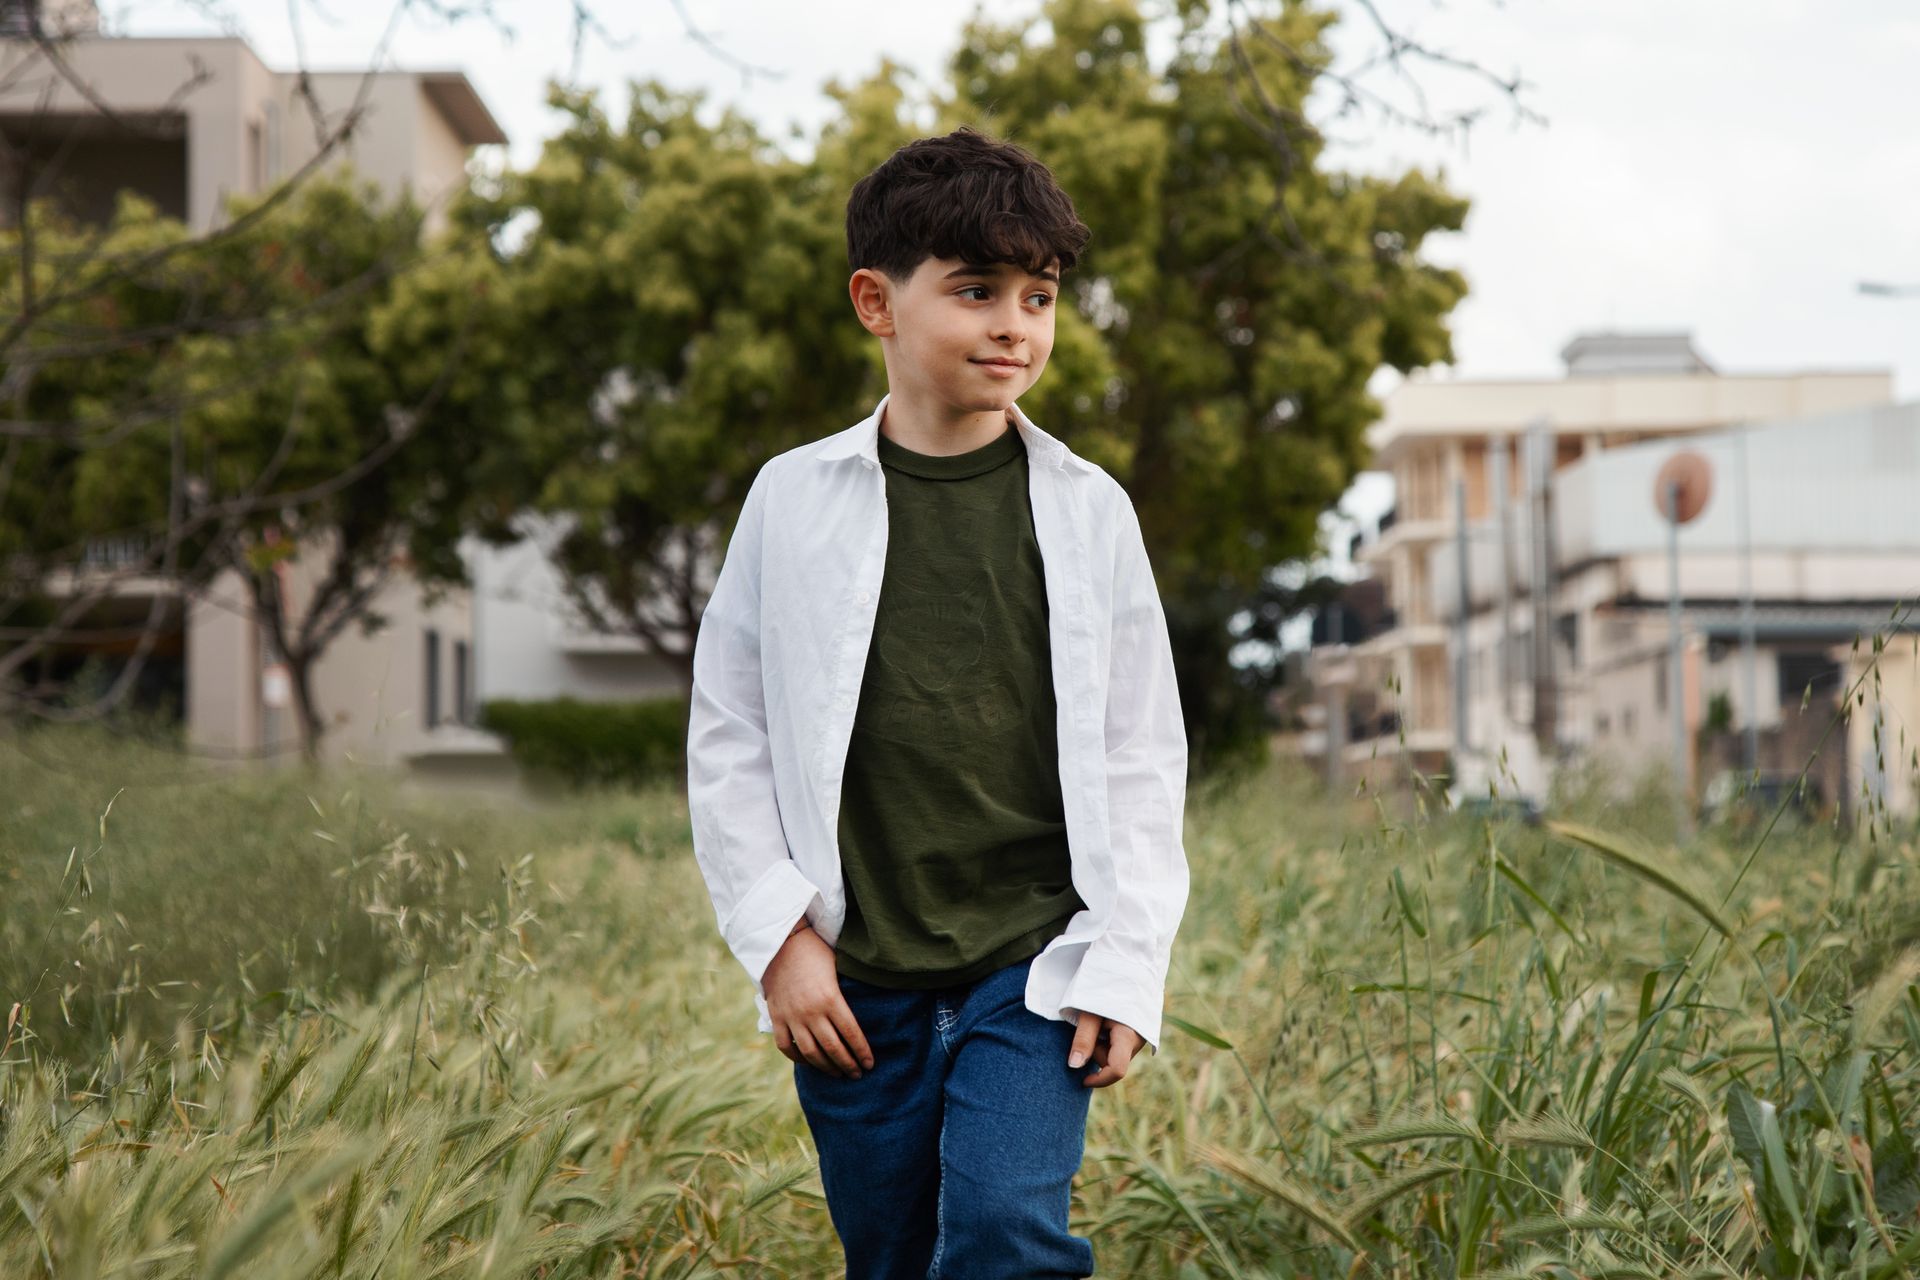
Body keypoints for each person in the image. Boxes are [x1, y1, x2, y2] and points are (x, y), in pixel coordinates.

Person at [686, 125, 1190, 1279]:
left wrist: (1125, 963)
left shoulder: (1090, 510)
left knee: (1008, 1230)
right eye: (976, 291)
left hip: (1035, 962)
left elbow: (1139, 750)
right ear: (877, 301)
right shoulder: (790, 500)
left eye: (1039, 296)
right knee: (892, 1252)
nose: (1015, 324)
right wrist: (780, 943)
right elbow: (730, 732)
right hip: (854, 979)